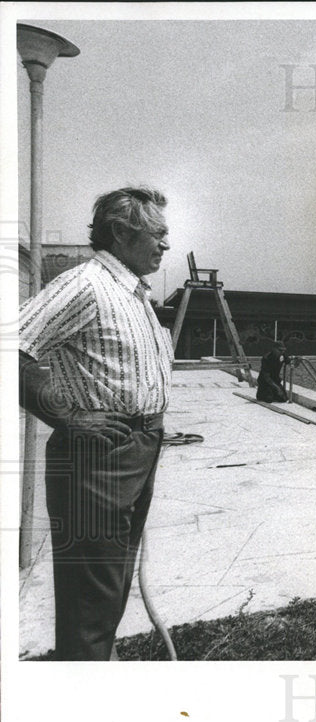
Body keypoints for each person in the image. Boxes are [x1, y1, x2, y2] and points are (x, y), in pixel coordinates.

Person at [19, 187, 174, 660]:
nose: (166, 244)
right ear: (122, 233)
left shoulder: (132, 292)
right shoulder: (85, 284)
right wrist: (68, 418)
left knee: (110, 587)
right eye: (159, 233)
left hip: (138, 447)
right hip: (99, 457)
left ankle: (97, 672)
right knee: (91, 597)